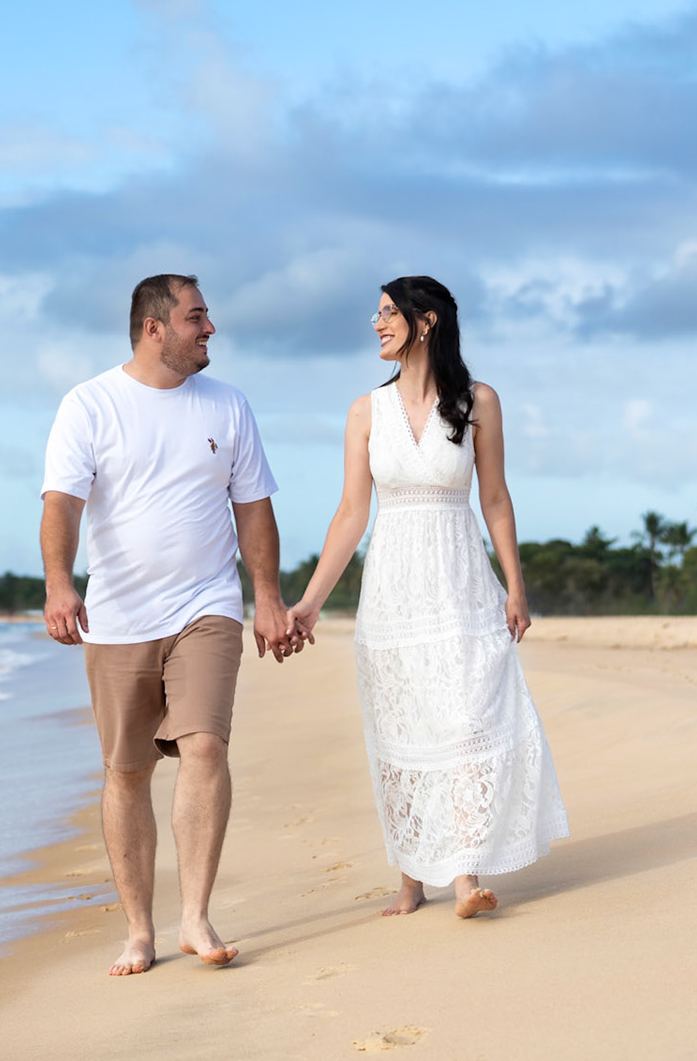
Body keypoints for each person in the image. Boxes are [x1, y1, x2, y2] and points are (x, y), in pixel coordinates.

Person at [40, 274, 298, 976]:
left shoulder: (229, 405)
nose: (209, 328)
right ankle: (138, 931)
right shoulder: (89, 405)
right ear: (154, 327)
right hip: (119, 616)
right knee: (126, 773)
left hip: (206, 606)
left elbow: (254, 510)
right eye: (197, 318)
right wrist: (60, 584)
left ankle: (194, 917)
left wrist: (267, 597)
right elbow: (62, 504)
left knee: (206, 747)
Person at [287, 276, 567, 918]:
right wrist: (308, 603)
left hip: (463, 582)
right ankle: (412, 876)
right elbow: (351, 514)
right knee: (401, 732)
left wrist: (515, 586)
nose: (377, 323)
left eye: (389, 313)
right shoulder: (365, 411)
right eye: (378, 312)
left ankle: (465, 876)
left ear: (428, 321)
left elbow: (494, 498)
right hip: (392, 591)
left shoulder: (479, 401)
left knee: (467, 722)